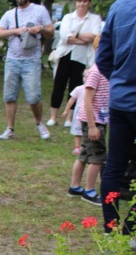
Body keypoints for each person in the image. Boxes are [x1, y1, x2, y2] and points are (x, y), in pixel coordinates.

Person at [97, 0, 136, 234]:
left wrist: (120, 80)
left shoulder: (118, 7)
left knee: (114, 166)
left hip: (120, 100)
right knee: (114, 166)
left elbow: (102, 57)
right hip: (124, 98)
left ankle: (110, 229)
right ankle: (130, 230)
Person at [0, 0, 53, 141]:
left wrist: (40, 28)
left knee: (33, 97)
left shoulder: (40, 10)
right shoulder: (9, 14)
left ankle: (39, 123)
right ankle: (10, 129)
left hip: (32, 60)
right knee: (9, 96)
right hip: (12, 60)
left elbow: (51, 32)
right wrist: (15, 31)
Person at [67, 38, 109, 207]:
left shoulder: (106, 70)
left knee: (84, 154)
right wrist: (92, 126)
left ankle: (75, 187)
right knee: (97, 157)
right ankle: (89, 191)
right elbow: (87, 100)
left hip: (98, 120)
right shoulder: (96, 71)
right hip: (94, 122)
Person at [46, 0, 101, 126]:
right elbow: (65, 37)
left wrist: (77, 34)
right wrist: (84, 40)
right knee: (59, 85)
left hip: (82, 57)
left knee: (76, 86)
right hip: (65, 55)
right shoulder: (68, 17)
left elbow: (95, 37)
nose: (82, 4)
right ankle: (53, 117)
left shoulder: (95, 19)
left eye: (85, 1)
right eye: (79, 1)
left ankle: (69, 118)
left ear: (89, 3)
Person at [62, 81, 86, 155]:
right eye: (85, 76)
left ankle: (85, 146)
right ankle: (77, 147)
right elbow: (72, 100)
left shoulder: (95, 89)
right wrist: (66, 110)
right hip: (79, 112)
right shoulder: (78, 88)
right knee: (77, 130)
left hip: (90, 112)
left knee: (87, 131)